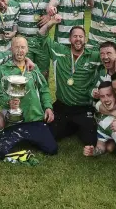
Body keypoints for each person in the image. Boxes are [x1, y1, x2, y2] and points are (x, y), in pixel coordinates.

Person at [0, 37, 57, 163]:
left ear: (27, 49)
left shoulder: (33, 68)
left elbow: (43, 89)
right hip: (14, 121)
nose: (20, 50)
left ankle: (31, 137)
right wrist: (8, 102)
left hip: (34, 118)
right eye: (16, 47)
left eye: (23, 47)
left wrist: (48, 107)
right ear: (11, 49)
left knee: (52, 149)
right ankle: (22, 139)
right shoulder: (2, 69)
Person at [38, 16, 100, 148]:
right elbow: (41, 35)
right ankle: (71, 125)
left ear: (85, 39)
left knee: (91, 141)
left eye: (81, 36)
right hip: (63, 106)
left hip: (83, 107)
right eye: (75, 36)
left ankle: (76, 124)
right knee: (49, 134)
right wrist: (51, 23)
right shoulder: (59, 51)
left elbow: (111, 57)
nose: (78, 39)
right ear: (70, 39)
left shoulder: (94, 56)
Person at [8, 0, 53, 79]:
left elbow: (58, 7)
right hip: (23, 40)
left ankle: (42, 95)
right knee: (24, 72)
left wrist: (49, 16)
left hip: (41, 41)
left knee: (43, 73)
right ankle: (27, 95)